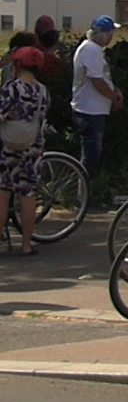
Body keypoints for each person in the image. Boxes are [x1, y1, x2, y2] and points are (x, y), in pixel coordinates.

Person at [0, 47, 50, 256]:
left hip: (8, 147)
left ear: (17, 65)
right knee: (28, 196)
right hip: (33, 148)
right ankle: (27, 244)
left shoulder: (11, 89)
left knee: (3, 194)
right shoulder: (42, 91)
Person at [71, 15, 124, 180]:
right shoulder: (91, 50)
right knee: (91, 153)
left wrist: (115, 90)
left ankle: (86, 186)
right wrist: (113, 96)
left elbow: (102, 78)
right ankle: (85, 188)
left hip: (94, 108)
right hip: (90, 109)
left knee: (93, 151)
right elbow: (97, 80)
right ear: (105, 35)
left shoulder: (93, 49)